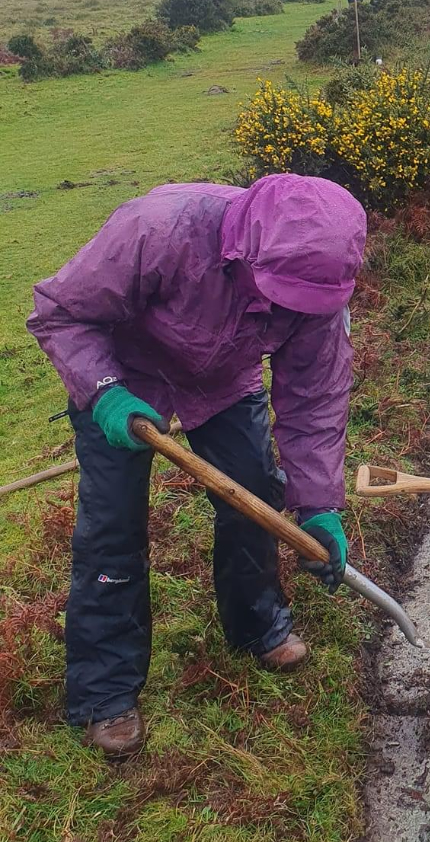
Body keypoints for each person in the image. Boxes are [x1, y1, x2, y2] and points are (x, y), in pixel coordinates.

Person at [26, 174, 367, 759]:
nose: (292, 311)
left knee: (255, 494)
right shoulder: (161, 229)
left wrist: (320, 506)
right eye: (281, 295)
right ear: (247, 253)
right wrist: (104, 392)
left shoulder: (320, 291)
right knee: (113, 523)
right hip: (122, 379)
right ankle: (105, 693)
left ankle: (258, 626)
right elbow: (62, 312)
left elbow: (313, 400)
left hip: (221, 379)